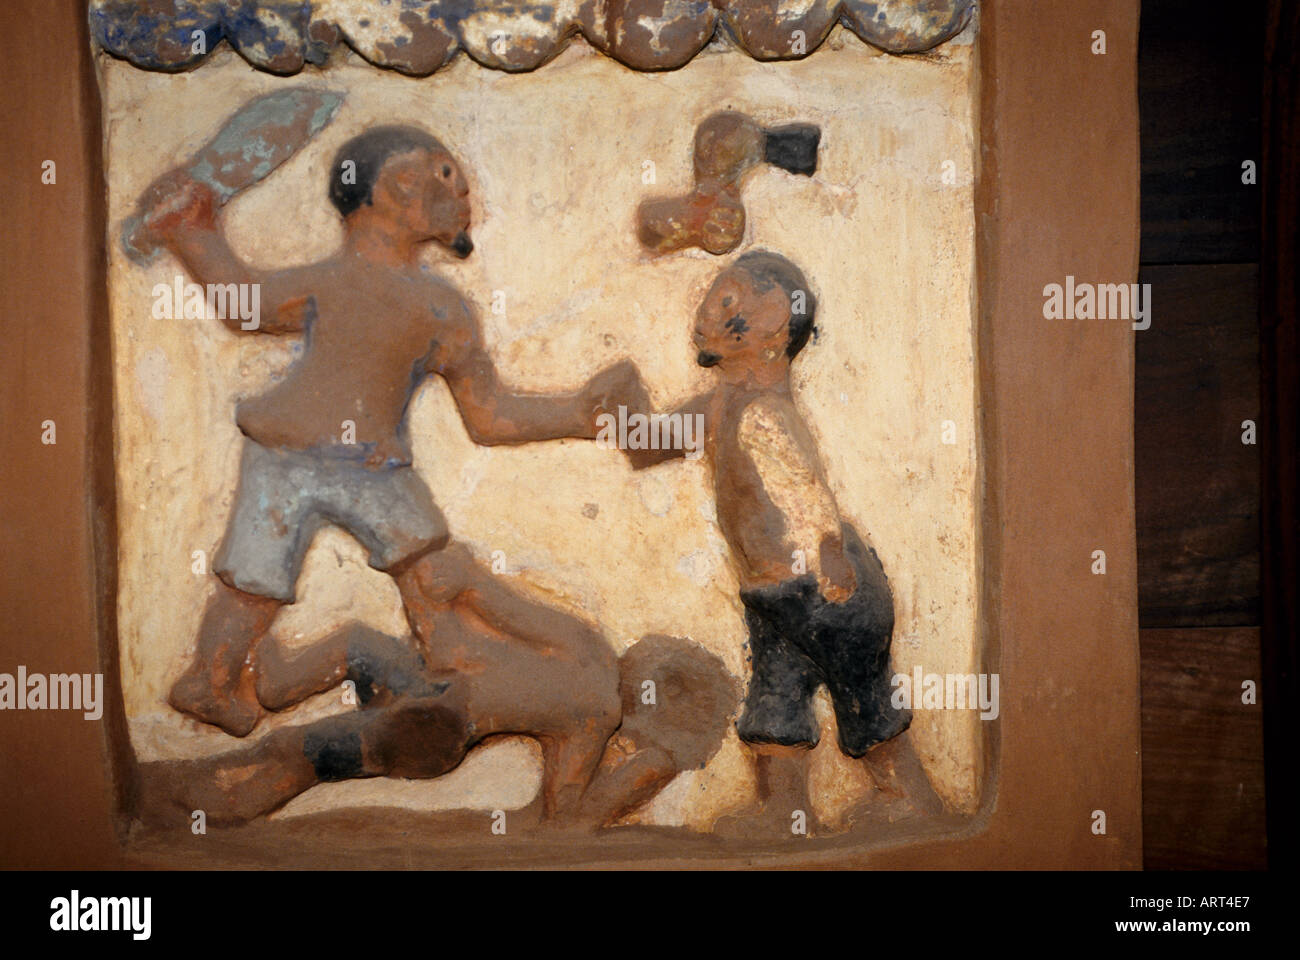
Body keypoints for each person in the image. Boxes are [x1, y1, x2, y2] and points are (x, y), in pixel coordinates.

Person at [137, 124, 646, 817]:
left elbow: (489, 415)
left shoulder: (445, 308)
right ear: (387, 192)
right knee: (255, 577)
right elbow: (245, 303)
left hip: (374, 461)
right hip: (285, 448)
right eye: (441, 177)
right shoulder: (332, 281)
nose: (460, 191)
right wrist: (192, 233)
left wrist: (580, 415)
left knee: (427, 561)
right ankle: (215, 679)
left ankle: (445, 657)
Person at [620, 251, 940, 832]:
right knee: (777, 698)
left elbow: (805, 490)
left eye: (727, 302)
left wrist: (829, 558)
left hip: (828, 591)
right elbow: (647, 442)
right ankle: (785, 808)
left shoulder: (763, 412)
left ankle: (911, 797)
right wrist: (614, 403)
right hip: (775, 596)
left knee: (862, 698)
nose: (704, 311)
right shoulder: (721, 406)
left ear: (771, 325)